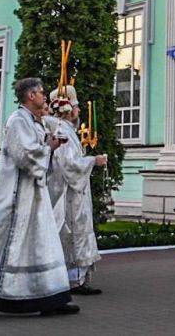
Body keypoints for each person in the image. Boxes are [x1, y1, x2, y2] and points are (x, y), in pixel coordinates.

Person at [0, 78, 79, 319]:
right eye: (41, 92)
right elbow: (24, 156)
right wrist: (49, 147)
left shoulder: (34, 121)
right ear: (30, 95)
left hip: (34, 195)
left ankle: (53, 297)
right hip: (15, 197)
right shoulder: (18, 120)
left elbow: (37, 150)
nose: (44, 97)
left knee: (43, 245)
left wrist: (49, 145)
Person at [46, 86, 107, 295]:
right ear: (68, 108)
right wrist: (93, 160)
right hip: (68, 193)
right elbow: (69, 165)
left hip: (75, 192)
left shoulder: (66, 130)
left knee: (77, 231)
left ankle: (76, 278)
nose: (79, 110)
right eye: (76, 106)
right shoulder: (61, 131)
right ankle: (73, 280)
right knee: (72, 231)